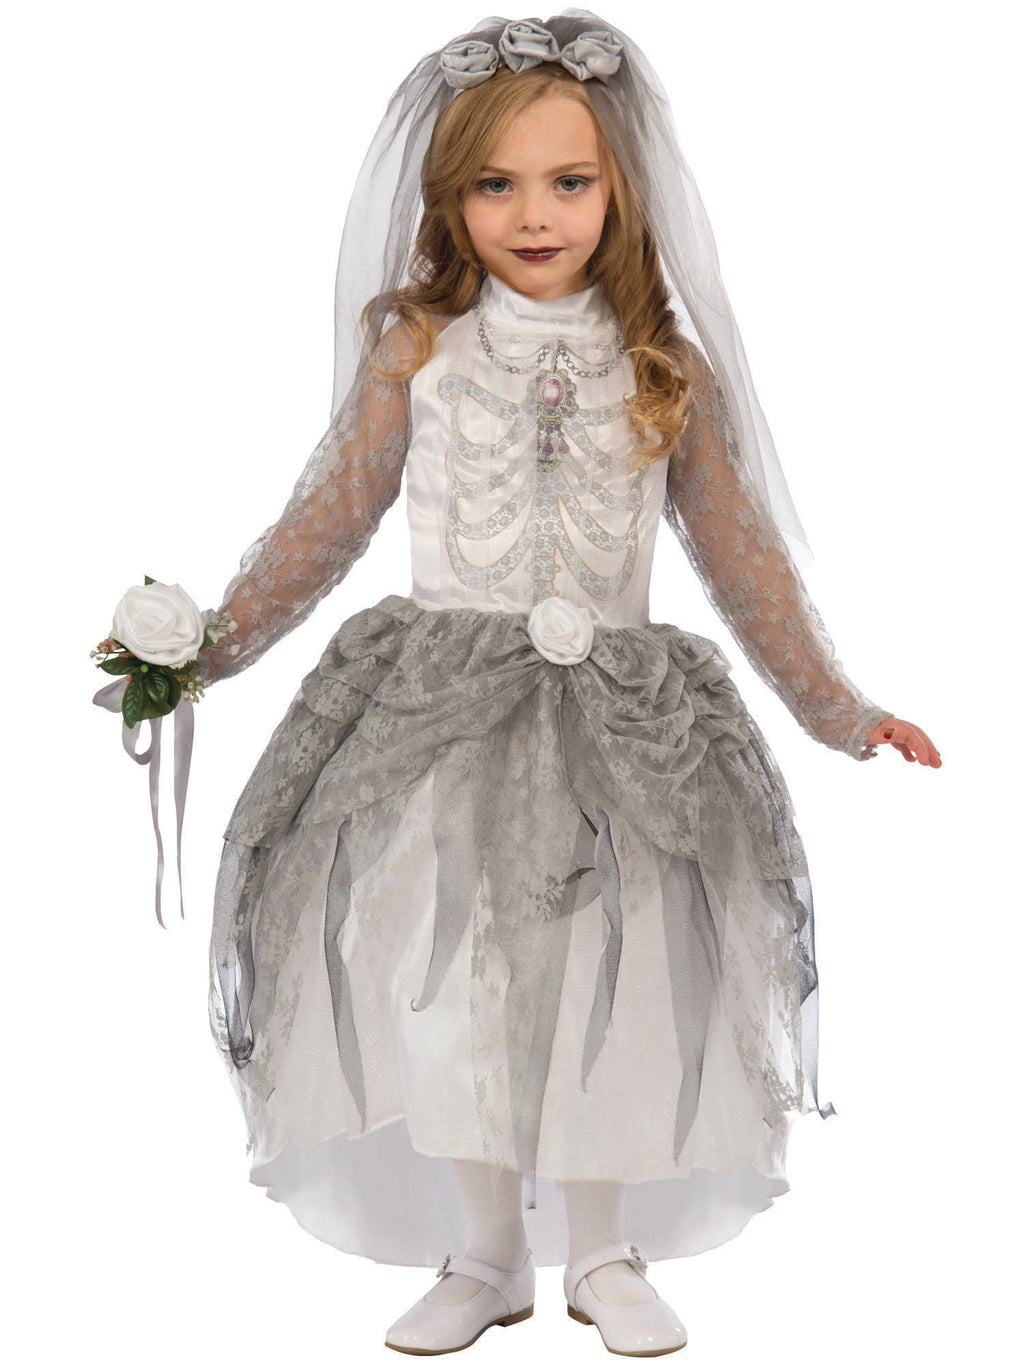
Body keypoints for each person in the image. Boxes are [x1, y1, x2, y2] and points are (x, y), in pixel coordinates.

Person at [185, 11, 941, 1358]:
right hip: (444, 719)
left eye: (569, 181)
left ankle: (601, 1249)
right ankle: (484, 1252)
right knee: (458, 980)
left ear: (619, 188)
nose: (534, 214)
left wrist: (840, 707)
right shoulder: (416, 349)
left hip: (623, 731)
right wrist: (207, 643)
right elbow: (328, 518)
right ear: (449, 197)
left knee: (616, 972)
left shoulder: (663, 365)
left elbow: (744, 557)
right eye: (496, 184)